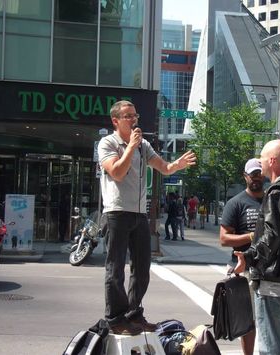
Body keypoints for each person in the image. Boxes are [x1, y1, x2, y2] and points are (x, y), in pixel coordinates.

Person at [98, 100, 196, 335]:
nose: (133, 120)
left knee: (142, 268)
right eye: (128, 116)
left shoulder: (144, 146)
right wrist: (130, 147)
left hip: (138, 213)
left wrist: (177, 165)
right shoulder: (108, 143)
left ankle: (134, 314)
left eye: (135, 116)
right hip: (116, 212)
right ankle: (115, 318)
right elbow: (118, 173)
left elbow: (164, 167)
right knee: (116, 268)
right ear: (115, 121)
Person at [234, 140, 280, 355]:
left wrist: (248, 258)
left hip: (275, 286)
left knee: (270, 348)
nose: (260, 162)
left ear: (272, 161)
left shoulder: (276, 193)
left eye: (262, 158)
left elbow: (271, 236)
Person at [220, 158, 264, 355]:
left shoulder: (273, 199)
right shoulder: (236, 203)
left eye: (259, 174)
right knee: (248, 321)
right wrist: (251, 236)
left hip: (270, 270)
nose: (257, 178)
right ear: (245, 177)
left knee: (268, 319)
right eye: (253, 174)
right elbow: (224, 239)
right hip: (244, 269)